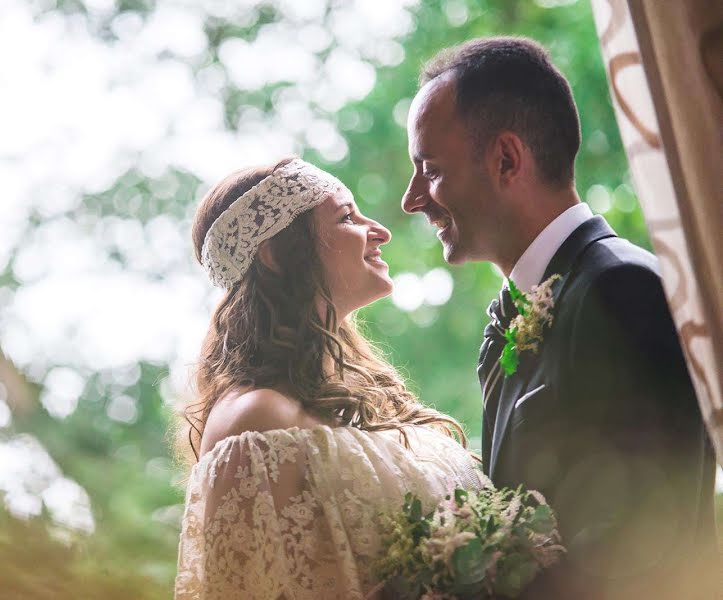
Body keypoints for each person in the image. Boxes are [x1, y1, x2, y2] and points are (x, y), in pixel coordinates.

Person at [402, 36, 718, 599]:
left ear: (505, 159)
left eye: (429, 169)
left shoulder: (622, 287)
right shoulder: (511, 317)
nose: (412, 199)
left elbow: (647, 535)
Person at [173, 157, 487, 599]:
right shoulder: (256, 419)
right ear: (276, 252)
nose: (380, 230)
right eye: (346, 217)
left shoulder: (353, 398)